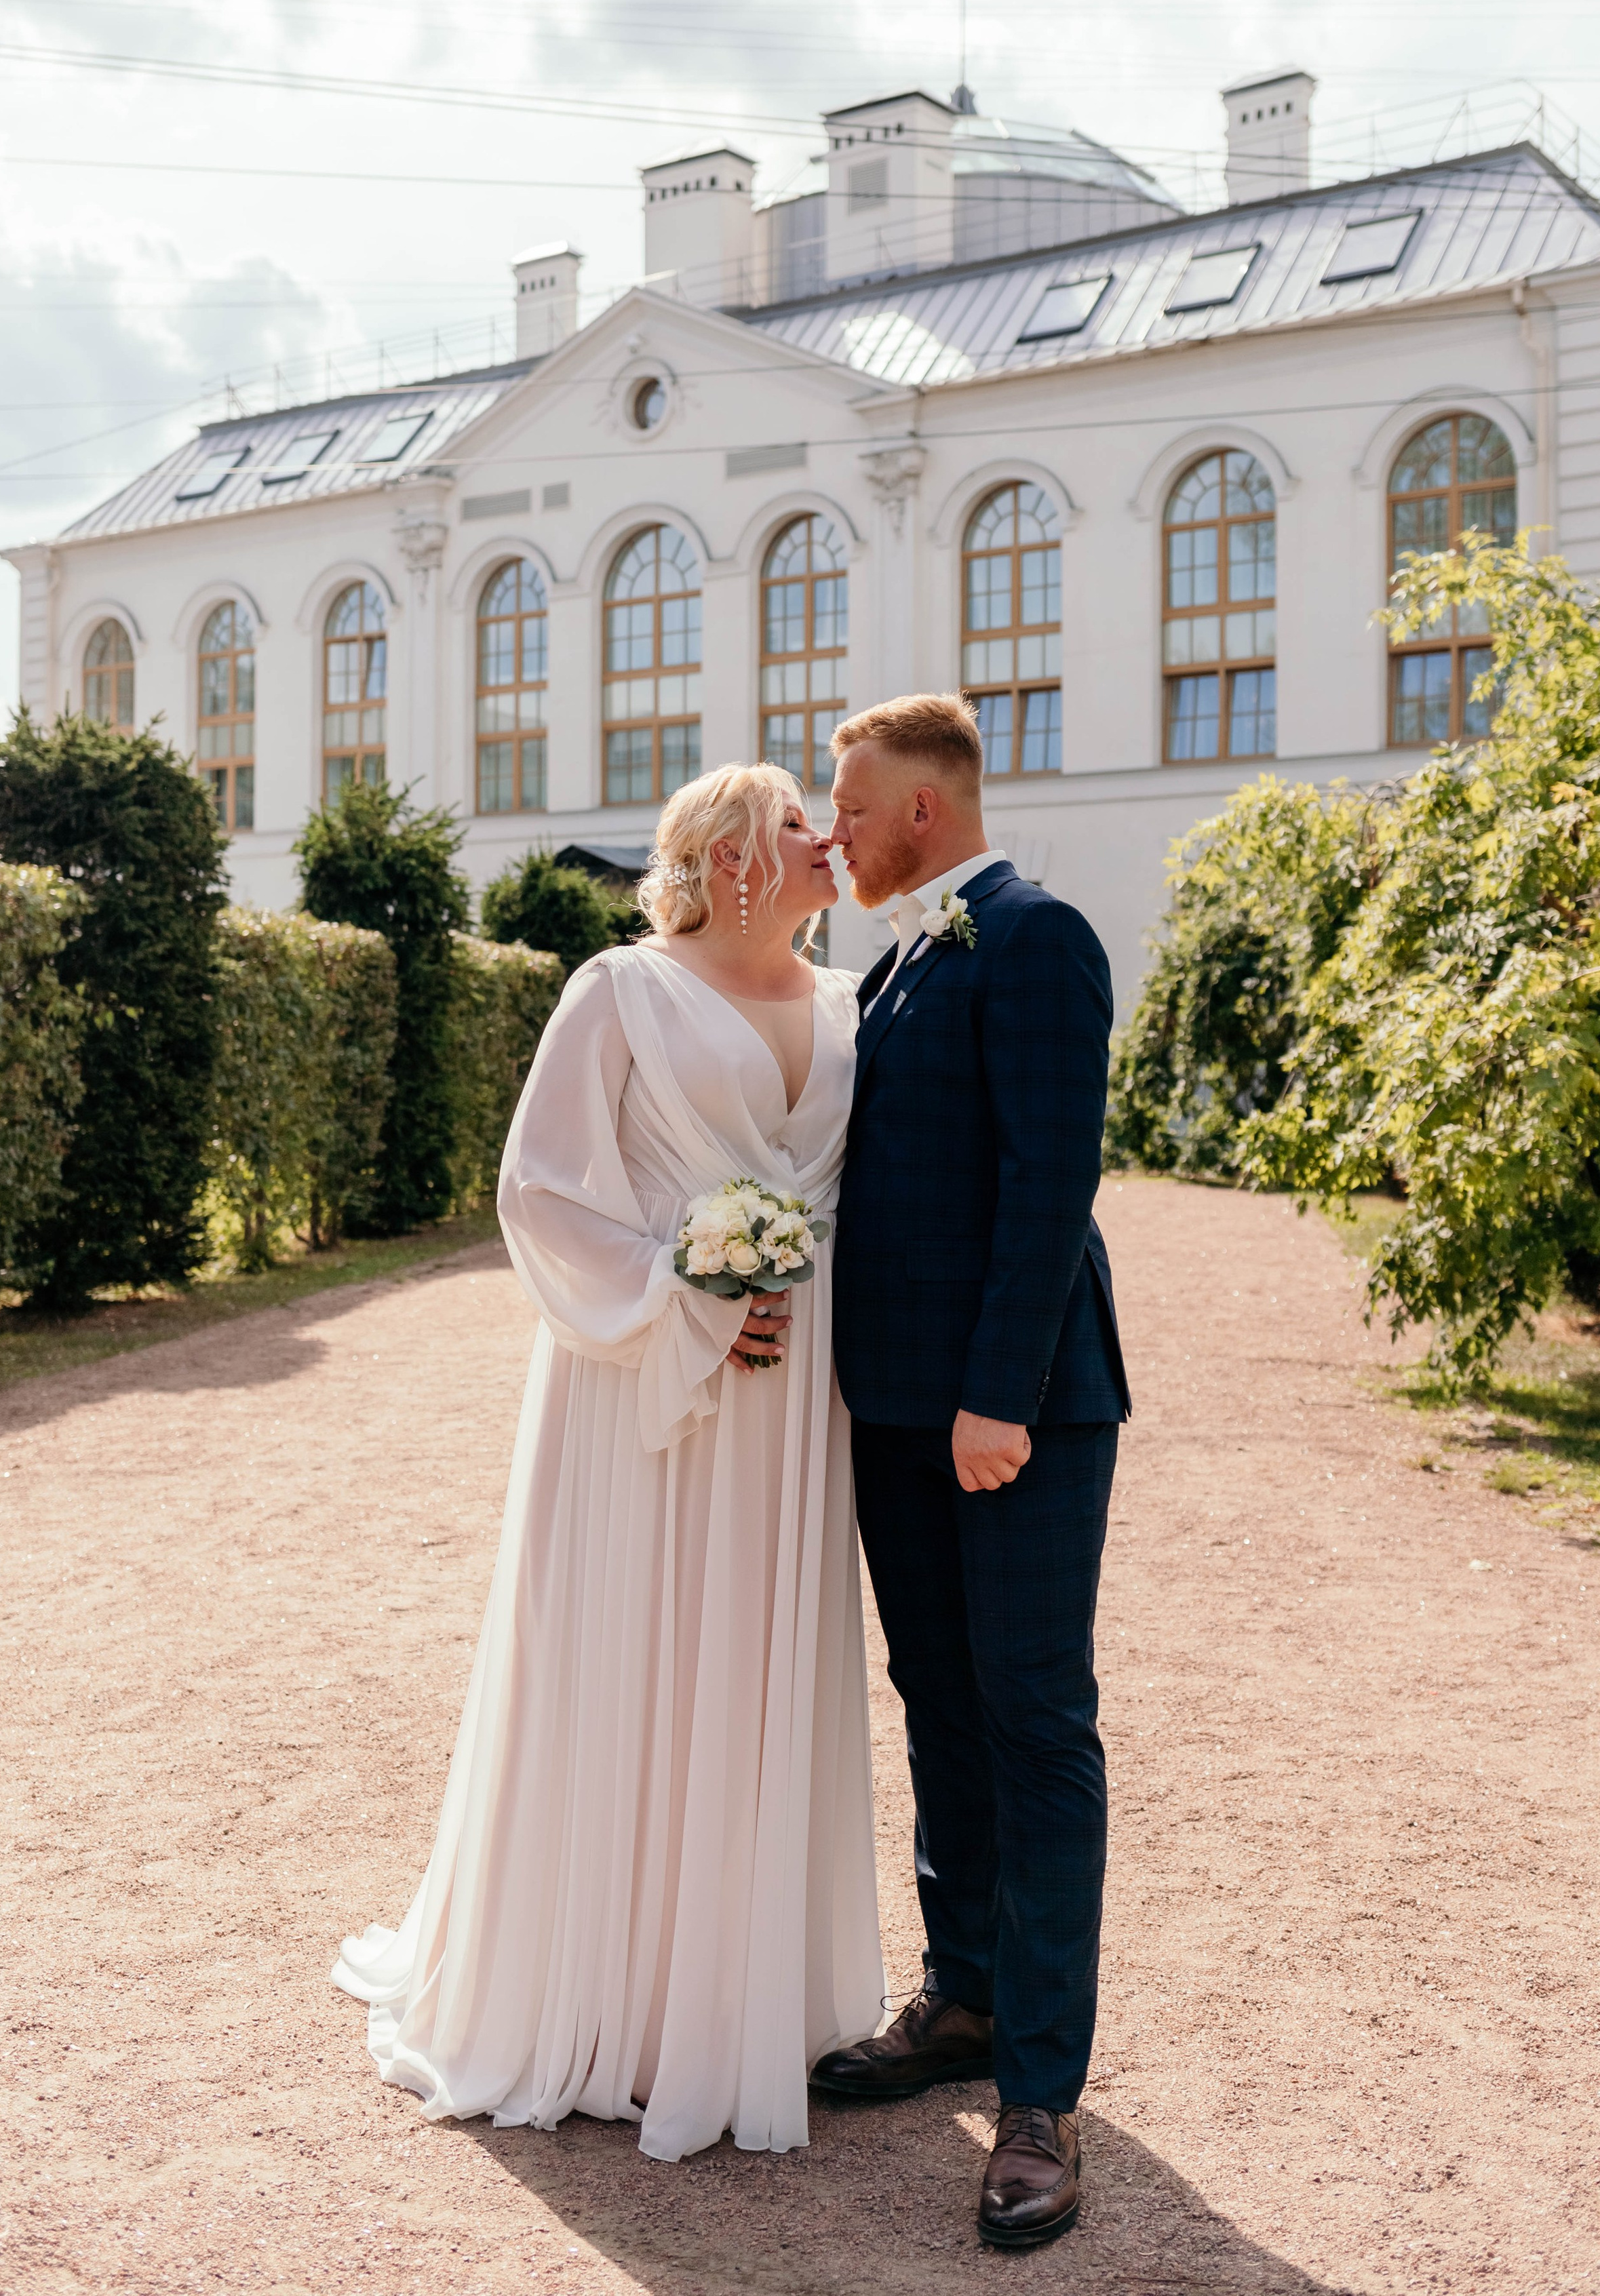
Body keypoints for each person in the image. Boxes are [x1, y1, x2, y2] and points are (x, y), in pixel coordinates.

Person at [332, 764, 884, 2162]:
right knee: (631, 1654)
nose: (829, 841)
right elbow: (545, 1188)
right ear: (727, 857)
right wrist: (684, 1293)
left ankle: (730, 1998)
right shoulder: (616, 990)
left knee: (752, 1664)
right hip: (642, 1377)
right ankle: (609, 2006)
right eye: (796, 825)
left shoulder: (842, 1003)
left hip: (786, 1396)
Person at [811, 692, 1129, 2254]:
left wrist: (995, 1397)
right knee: (935, 1695)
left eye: (849, 806)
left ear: (920, 810)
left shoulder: (1035, 935)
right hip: (892, 1416)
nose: (835, 829)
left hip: (1014, 1418)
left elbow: (1049, 1174)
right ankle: (961, 1996)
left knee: (1028, 1718)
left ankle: (1038, 2098)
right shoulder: (888, 962)